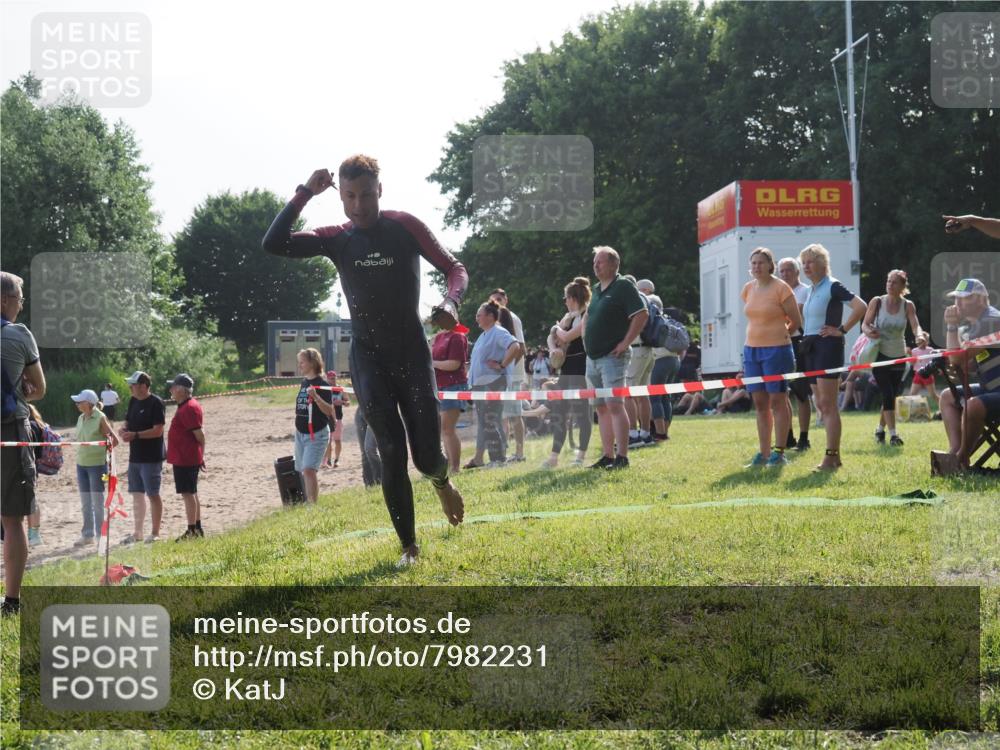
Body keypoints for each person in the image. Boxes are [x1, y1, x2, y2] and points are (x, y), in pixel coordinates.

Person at [262, 155, 466, 566]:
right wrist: (304, 193)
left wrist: (450, 302)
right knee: (388, 448)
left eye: (366, 195)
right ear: (340, 194)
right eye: (350, 196)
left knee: (425, 455)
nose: (358, 205)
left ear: (380, 191)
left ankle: (441, 482)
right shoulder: (337, 237)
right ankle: (409, 546)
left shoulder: (404, 226)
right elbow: (274, 243)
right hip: (368, 357)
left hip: (411, 353)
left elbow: (454, 268)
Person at [798, 244, 868, 471]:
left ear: (822, 263)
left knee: (828, 405)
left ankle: (830, 457)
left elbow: (860, 306)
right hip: (810, 347)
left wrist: (842, 329)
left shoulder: (833, 286)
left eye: (810, 261)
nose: (806, 266)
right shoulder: (811, 289)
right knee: (820, 403)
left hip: (827, 347)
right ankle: (834, 457)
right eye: (804, 262)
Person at [1, 271, 46, 616]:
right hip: (8, 430)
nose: (21, 305)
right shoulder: (19, 334)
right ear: (5, 301)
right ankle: (12, 602)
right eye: (19, 298)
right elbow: (39, 388)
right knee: (13, 519)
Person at [583, 246, 649, 470]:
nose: (596, 265)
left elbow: (641, 314)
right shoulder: (596, 289)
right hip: (593, 358)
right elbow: (589, 317)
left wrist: (625, 343)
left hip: (613, 357)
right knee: (601, 408)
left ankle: (622, 456)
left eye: (600, 262)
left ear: (613, 264)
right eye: (594, 262)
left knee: (615, 405)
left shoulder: (623, 286)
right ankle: (608, 455)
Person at [739, 248, 803, 468]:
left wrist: (782, 334)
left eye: (761, 263)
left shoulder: (781, 288)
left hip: (777, 350)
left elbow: (795, 320)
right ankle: (763, 453)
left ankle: (779, 452)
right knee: (759, 402)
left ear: (770, 265)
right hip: (751, 350)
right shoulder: (748, 288)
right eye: (753, 263)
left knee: (778, 400)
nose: (757, 267)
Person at [932, 279, 1000, 474]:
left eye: (964, 299)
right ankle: (954, 451)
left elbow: (955, 358)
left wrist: (951, 327)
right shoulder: (978, 324)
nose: (958, 304)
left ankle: (962, 456)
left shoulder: (991, 320)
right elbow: (970, 362)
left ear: (980, 298)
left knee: (973, 405)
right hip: (992, 389)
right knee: (947, 396)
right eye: (956, 299)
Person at [861, 269, 925, 447]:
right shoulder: (877, 301)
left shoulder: (908, 305)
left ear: (903, 286)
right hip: (880, 353)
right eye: (888, 281)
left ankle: (880, 430)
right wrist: (869, 332)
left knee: (892, 396)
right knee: (887, 393)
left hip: (899, 356)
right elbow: (865, 324)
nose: (890, 284)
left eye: (894, 282)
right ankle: (894, 435)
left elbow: (915, 326)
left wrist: (919, 336)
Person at [543, 277, 593, 468]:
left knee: (583, 414)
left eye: (565, 298)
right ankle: (554, 458)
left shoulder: (587, 314)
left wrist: (556, 329)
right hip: (566, 369)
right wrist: (552, 349)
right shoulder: (568, 317)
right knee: (559, 412)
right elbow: (552, 338)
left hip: (582, 368)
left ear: (573, 298)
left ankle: (580, 457)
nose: (564, 301)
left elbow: (563, 335)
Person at [466, 302, 520, 467]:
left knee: (490, 420)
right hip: (480, 385)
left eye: (479, 314)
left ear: (490, 316)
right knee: (487, 421)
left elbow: (515, 346)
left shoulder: (498, 332)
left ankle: (497, 459)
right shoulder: (484, 335)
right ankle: (497, 457)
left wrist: (502, 365)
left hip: (493, 383)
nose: (477, 318)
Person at [118, 371, 166, 543]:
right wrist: (123, 430)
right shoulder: (133, 401)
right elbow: (127, 423)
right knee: (137, 494)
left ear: (144, 386)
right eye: (130, 384)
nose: (130, 387)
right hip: (135, 457)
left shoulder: (156, 403)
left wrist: (135, 435)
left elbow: (158, 430)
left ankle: (155, 533)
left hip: (151, 457)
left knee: (153, 494)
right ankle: (138, 532)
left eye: (134, 384)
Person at [71, 389, 118, 547]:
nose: (77, 404)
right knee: (85, 502)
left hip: (97, 466)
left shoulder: (100, 417)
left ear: (89, 403)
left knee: (97, 502)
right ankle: (88, 535)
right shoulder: (80, 418)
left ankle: (101, 536)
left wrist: (105, 452)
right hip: (81, 464)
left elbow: (114, 440)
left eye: (80, 401)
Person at [777, 256, 813, 451]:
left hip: (798, 343)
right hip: (779, 342)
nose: (785, 274)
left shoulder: (804, 292)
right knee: (781, 392)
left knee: (801, 392)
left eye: (789, 270)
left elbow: (794, 317)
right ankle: (787, 435)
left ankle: (804, 437)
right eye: (781, 271)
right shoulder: (778, 292)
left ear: (797, 272)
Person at [166, 374, 206, 541]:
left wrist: (200, 456)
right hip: (186, 457)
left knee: (188, 494)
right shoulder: (186, 406)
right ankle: (196, 528)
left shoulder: (188, 408)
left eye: (173, 387)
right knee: (192, 493)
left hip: (186, 458)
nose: (171, 390)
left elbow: (200, 435)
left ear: (181, 390)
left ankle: (192, 531)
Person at [489, 289, 527, 462]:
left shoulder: (512, 318)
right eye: (493, 301)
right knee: (502, 416)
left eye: (499, 299)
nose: (496, 302)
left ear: (506, 299)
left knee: (515, 415)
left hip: (512, 376)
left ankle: (520, 453)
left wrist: (507, 369)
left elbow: (521, 348)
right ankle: (503, 453)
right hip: (500, 376)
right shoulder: (494, 322)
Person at [293, 349, 334, 503]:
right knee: (302, 470)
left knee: (309, 470)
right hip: (300, 433)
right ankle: (306, 502)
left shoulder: (322, 384)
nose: (299, 366)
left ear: (312, 363)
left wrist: (316, 397)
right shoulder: (304, 382)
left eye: (302, 362)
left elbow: (329, 410)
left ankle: (312, 506)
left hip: (316, 434)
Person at [432, 315, 469, 473]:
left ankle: (455, 468)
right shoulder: (440, 336)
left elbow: (454, 364)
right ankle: (450, 467)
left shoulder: (457, 337)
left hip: (453, 386)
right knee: (445, 430)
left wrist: (432, 364)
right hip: (440, 387)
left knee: (448, 429)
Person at [625, 278, 657, 449]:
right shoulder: (646, 299)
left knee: (628, 393)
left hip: (636, 349)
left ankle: (632, 434)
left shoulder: (632, 299)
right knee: (643, 393)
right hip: (648, 350)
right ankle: (645, 433)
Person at [649, 302, 683, 441]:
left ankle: (660, 433)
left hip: (660, 360)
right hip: (674, 360)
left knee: (655, 398)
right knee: (665, 397)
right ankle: (665, 432)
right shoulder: (670, 320)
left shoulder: (655, 322)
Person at [321, 370, 347, 469]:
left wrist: (342, 402)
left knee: (338, 440)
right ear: (327, 379)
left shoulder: (340, 389)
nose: (333, 380)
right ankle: (328, 460)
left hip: (339, 418)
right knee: (328, 441)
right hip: (327, 418)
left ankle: (337, 460)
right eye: (331, 378)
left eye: (334, 378)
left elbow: (347, 402)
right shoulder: (325, 389)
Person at [354, 408, 382, 488]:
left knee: (369, 448)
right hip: (361, 410)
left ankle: (380, 479)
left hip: (376, 410)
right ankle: (369, 484)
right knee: (364, 452)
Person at [909, 332, 939, 404]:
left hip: (927, 374)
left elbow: (936, 361)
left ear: (927, 342)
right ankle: (912, 412)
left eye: (923, 341)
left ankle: (943, 407)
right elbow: (912, 363)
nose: (921, 343)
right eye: (919, 342)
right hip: (918, 374)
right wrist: (910, 355)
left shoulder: (931, 350)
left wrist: (938, 369)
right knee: (912, 395)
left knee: (933, 395)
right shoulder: (914, 351)